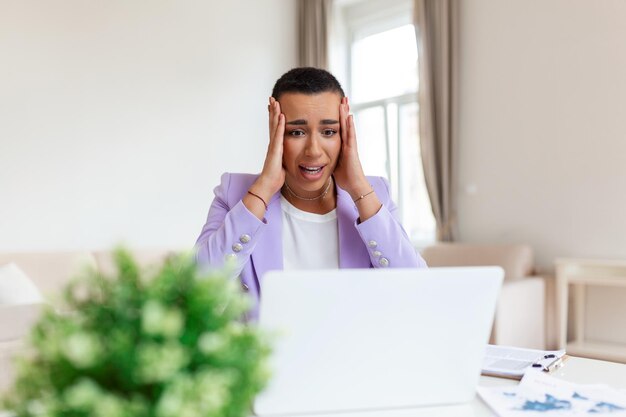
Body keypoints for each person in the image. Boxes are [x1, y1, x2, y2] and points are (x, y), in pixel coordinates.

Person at [195, 67, 427, 320]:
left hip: (352, 355)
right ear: (275, 133)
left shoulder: (375, 194)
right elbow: (195, 290)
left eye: (329, 132)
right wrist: (263, 189)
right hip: (264, 357)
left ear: (345, 134)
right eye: (297, 132)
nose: (314, 150)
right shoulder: (234, 193)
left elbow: (418, 289)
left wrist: (359, 188)